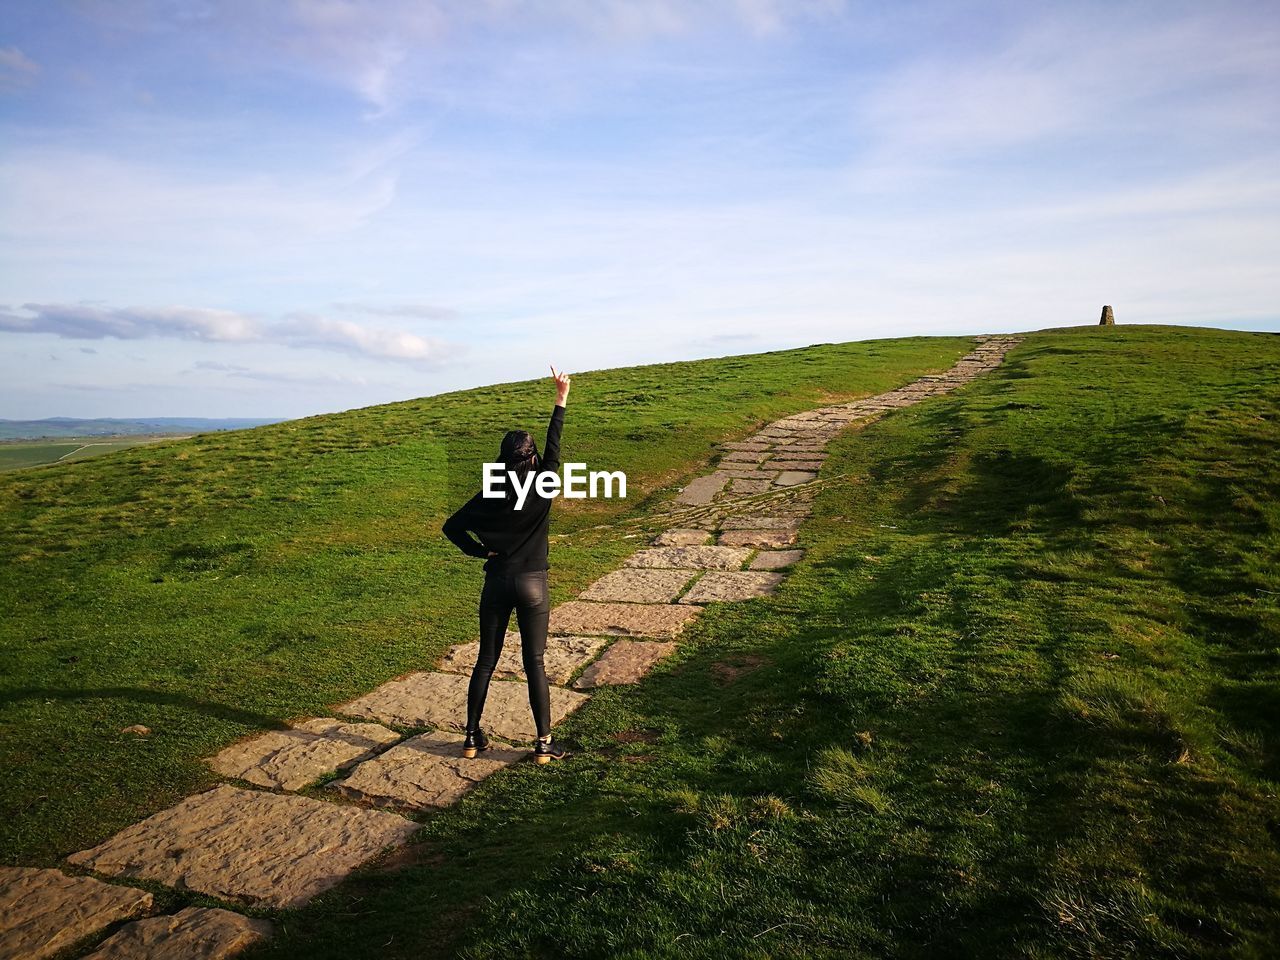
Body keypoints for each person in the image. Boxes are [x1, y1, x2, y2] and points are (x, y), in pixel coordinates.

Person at [441, 365, 572, 764]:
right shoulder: (545, 481)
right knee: (534, 662)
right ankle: (544, 744)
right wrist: (560, 399)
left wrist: (482, 552)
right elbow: (555, 447)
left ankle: (471, 737)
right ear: (532, 459)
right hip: (533, 583)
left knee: (485, 659)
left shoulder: (488, 494)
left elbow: (452, 528)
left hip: (497, 581)